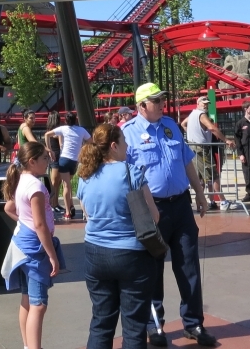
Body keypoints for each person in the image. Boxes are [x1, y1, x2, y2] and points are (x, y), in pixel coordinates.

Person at [123, 83, 216, 347]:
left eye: (162, 99)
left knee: (189, 265)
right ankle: (155, 325)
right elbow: (124, 174)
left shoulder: (171, 125)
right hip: (153, 209)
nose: (161, 103)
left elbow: (186, 161)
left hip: (181, 205)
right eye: (156, 100)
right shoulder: (128, 133)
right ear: (142, 106)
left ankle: (193, 323)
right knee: (152, 269)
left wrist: (199, 193)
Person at [77, 123, 159, 349]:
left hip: (95, 252)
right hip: (131, 254)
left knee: (101, 322)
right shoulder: (130, 172)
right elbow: (154, 217)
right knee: (133, 327)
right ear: (113, 146)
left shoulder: (85, 176)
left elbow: (86, 212)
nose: (127, 145)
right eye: (124, 141)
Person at [1, 141, 61, 349]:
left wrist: (22, 222)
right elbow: (40, 224)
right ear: (32, 161)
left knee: (27, 299)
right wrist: (52, 255)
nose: (48, 161)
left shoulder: (22, 181)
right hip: (34, 249)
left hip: (22, 245)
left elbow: (10, 207)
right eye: (45, 158)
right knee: (39, 304)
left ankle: (28, 346)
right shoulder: (35, 186)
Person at [184, 97, 234, 211]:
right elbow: (212, 128)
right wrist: (226, 140)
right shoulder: (201, 115)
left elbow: (183, 123)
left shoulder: (192, 114)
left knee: (200, 179)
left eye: (207, 103)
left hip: (193, 148)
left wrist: (191, 134)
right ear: (198, 103)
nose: (206, 105)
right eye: (204, 103)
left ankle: (201, 202)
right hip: (201, 149)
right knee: (213, 175)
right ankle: (223, 201)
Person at [49, 112, 91, 221]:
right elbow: (91, 141)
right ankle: (71, 205)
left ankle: (67, 212)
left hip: (64, 159)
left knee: (66, 185)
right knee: (69, 184)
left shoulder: (63, 128)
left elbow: (47, 134)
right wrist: (82, 148)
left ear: (66, 120)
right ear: (76, 119)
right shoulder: (81, 130)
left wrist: (49, 150)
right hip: (74, 160)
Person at [43, 111, 62, 213]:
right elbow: (59, 142)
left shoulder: (52, 131)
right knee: (54, 181)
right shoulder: (54, 132)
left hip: (57, 155)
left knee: (58, 181)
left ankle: (56, 203)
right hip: (55, 156)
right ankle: (51, 204)